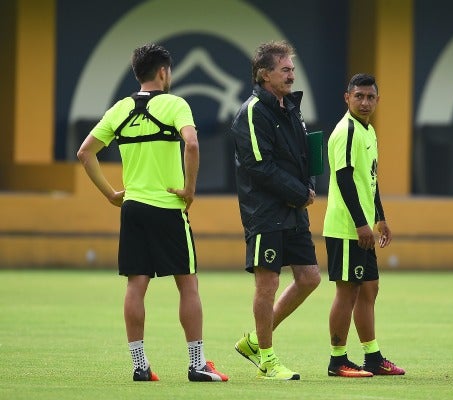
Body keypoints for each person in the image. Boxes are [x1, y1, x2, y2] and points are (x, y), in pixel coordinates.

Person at [77, 43, 228, 383]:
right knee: (187, 284)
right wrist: (189, 189)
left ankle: (140, 366)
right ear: (164, 72)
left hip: (133, 209)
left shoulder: (119, 109)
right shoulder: (175, 104)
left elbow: (85, 152)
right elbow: (191, 144)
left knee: (136, 285)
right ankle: (197, 363)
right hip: (168, 208)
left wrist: (111, 194)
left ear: (137, 74)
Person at [230, 40, 321, 381]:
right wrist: (300, 192)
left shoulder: (290, 108)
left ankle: (255, 340)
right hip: (265, 212)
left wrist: (307, 185)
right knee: (266, 285)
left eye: (292, 70)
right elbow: (258, 166)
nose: (291, 76)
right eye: (285, 70)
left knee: (310, 278)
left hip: (294, 209)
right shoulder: (252, 112)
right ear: (264, 74)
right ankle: (267, 360)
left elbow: (302, 153)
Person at [323, 73, 405, 378]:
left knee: (369, 289)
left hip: (364, 227)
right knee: (347, 292)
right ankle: (337, 360)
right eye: (359, 96)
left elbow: (369, 180)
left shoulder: (368, 131)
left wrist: (380, 217)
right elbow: (344, 179)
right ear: (347, 98)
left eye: (370, 97)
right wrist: (360, 224)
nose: (365, 102)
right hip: (346, 228)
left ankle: (373, 357)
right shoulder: (346, 131)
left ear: (378, 100)